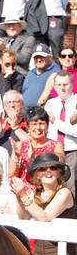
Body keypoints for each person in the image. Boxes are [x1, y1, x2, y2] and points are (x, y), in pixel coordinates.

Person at [11, 153, 74, 255]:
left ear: (59, 173)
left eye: (53, 168)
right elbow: (23, 216)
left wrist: (24, 196)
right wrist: (19, 197)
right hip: (38, 253)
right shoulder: (36, 194)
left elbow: (45, 217)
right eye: (43, 168)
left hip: (62, 254)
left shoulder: (64, 192)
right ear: (37, 175)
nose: (48, 171)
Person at [9, 106, 65, 194]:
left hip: (46, 192)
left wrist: (33, 157)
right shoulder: (20, 146)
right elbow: (12, 175)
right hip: (23, 192)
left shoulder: (55, 145)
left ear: (47, 126)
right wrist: (16, 156)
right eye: (34, 124)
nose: (38, 128)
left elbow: (60, 164)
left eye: (42, 123)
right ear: (28, 127)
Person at [44, 71, 77, 199]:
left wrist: (56, 122)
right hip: (53, 150)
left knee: (70, 184)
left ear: (72, 85)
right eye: (59, 85)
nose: (62, 88)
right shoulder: (50, 104)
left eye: (65, 84)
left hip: (72, 150)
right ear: (54, 87)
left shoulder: (76, 103)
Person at [0, 90, 29, 154]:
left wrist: (15, 126)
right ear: (4, 106)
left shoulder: (28, 123)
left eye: (16, 102)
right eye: (8, 102)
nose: (12, 105)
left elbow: (32, 144)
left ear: (22, 104)